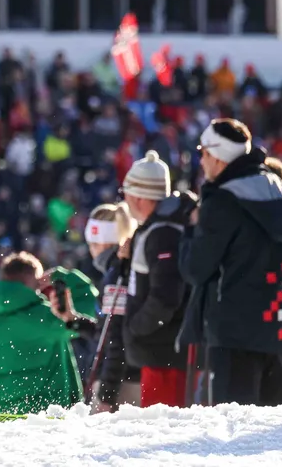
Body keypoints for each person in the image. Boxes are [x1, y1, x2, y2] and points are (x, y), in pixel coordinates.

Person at [179, 119, 282, 406]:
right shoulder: (278, 188)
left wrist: (191, 230)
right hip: (277, 325)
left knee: (234, 433)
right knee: (274, 434)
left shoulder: (222, 200)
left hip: (233, 332)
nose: (201, 161)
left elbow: (196, 269)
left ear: (217, 157)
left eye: (203, 153)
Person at [0, 252, 95, 415]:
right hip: (41, 420)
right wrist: (61, 277)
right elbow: (87, 308)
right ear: (33, 280)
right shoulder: (47, 319)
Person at [122, 150, 197, 407]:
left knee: (160, 429)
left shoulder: (162, 233)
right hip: (162, 351)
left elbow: (166, 296)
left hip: (163, 353)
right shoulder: (159, 229)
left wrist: (136, 327)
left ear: (139, 197)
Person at [83, 203, 141, 413]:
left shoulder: (116, 273)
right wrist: (74, 321)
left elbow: (115, 337)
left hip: (121, 383)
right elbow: (106, 329)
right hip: (124, 377)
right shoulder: (120, 268)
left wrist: (106, 394)